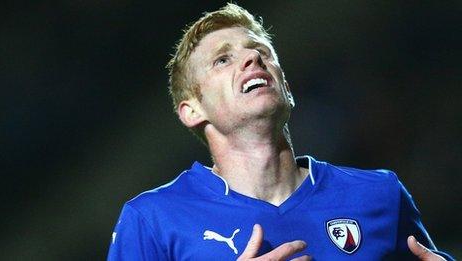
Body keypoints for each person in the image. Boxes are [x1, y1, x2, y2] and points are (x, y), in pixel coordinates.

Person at [108, 3, 454, 260]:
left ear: (286, 86)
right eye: (223, 60)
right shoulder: (153, 220)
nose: (252, 60)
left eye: (261, 51)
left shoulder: (381, 194)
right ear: (192, 110)